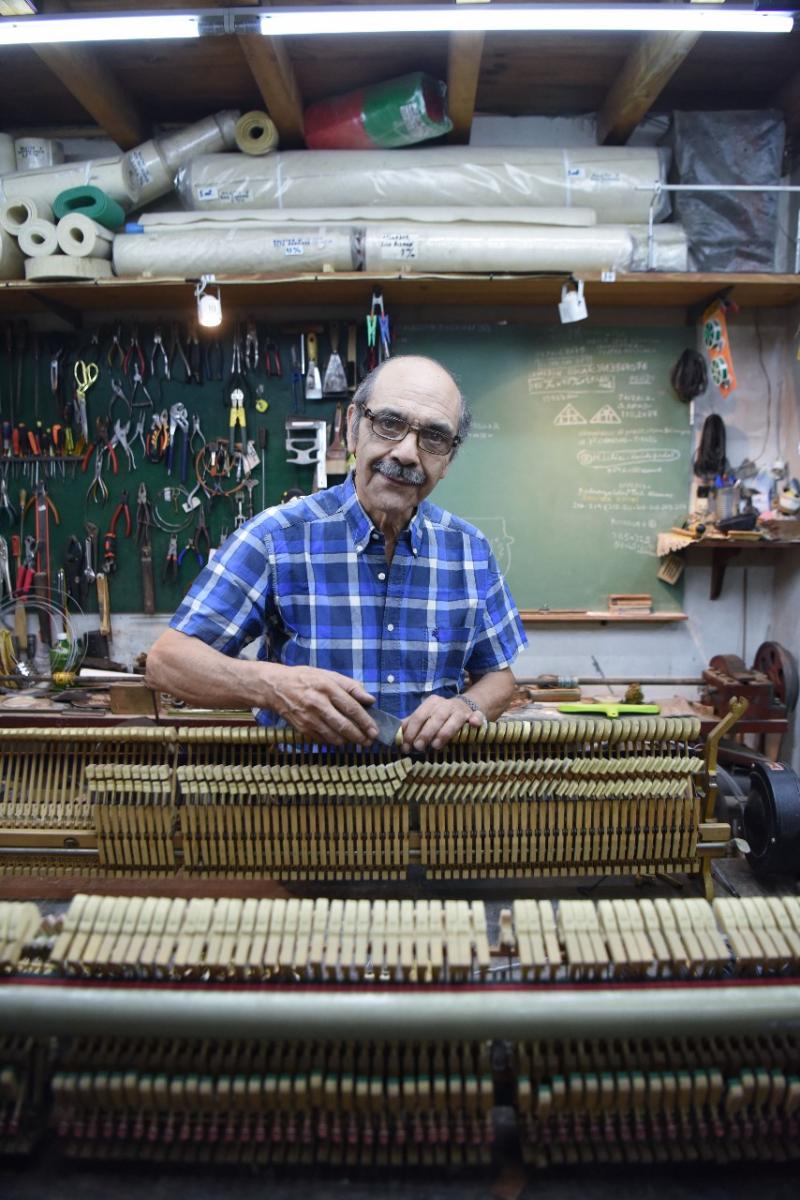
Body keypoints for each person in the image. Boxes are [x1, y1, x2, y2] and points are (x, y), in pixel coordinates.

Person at [146, 355, 527, 751]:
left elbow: (498, 677)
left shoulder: (470, 552)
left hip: (429, 787)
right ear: (353, 428)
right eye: (389, 424)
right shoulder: (277, 539)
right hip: (303, 788)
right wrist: (274, 686)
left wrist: (467, 705)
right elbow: (167, 662)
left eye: (434, 437)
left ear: (447, 459)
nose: (407, 453)